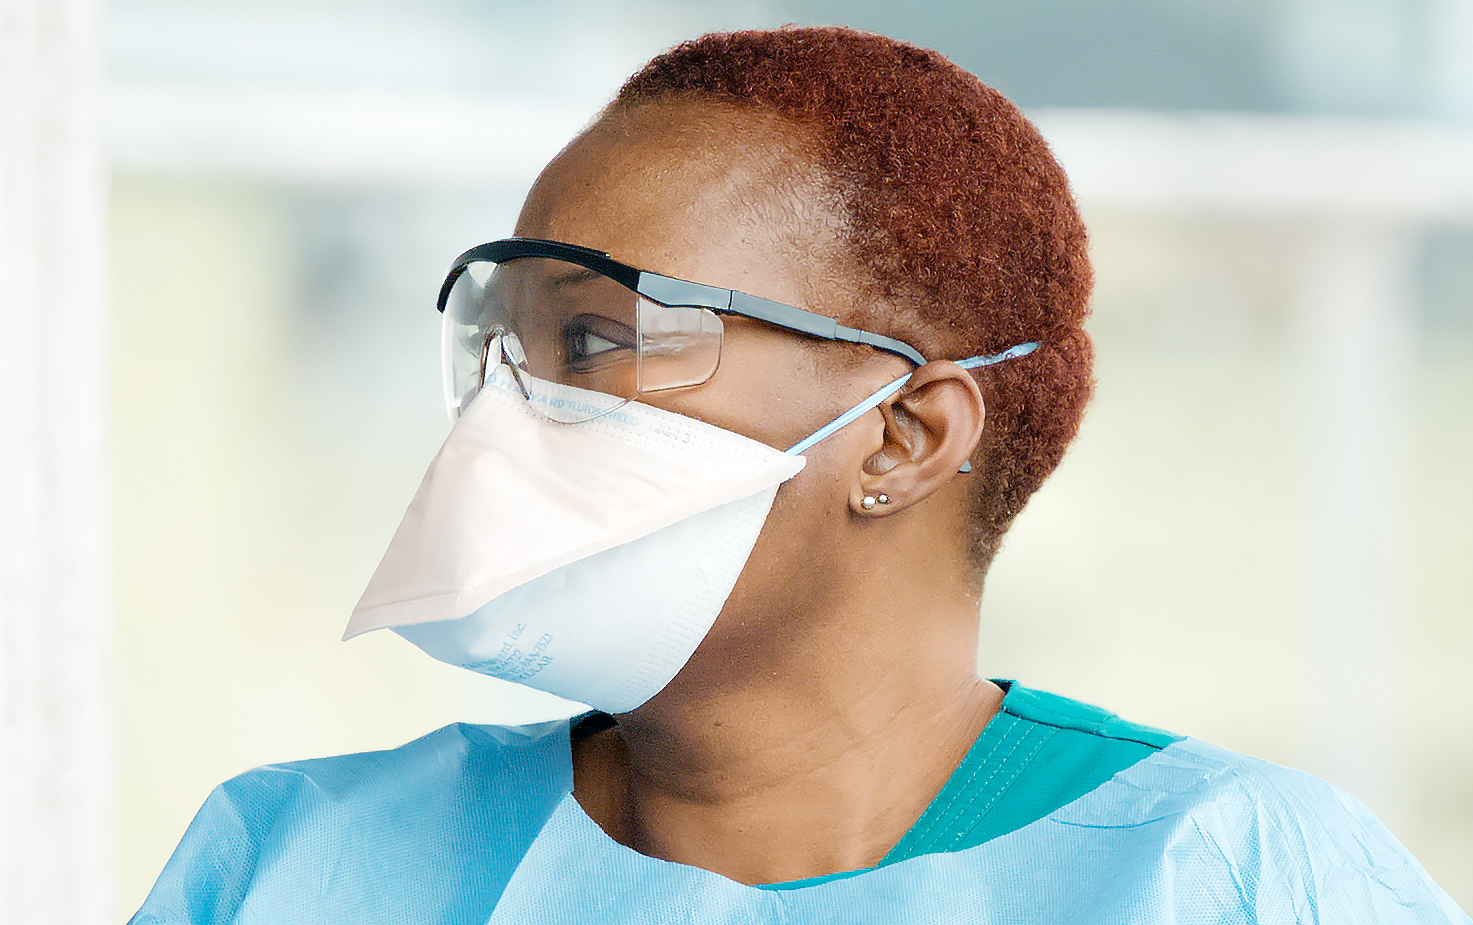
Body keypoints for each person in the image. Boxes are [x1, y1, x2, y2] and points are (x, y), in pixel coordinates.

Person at [130, 26, 1469, 925]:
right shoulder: (298, 865)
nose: (512, 407)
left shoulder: (1228, 875)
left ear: (904, 434)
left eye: (596, 337)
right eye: (503, 342)